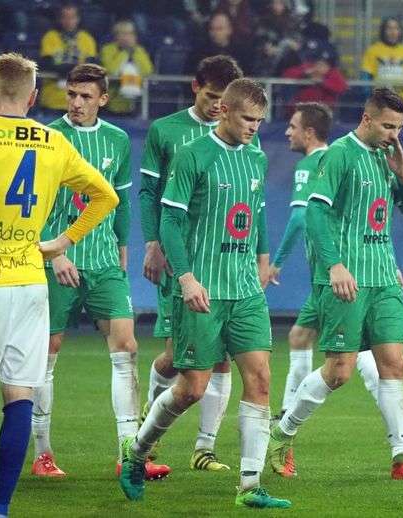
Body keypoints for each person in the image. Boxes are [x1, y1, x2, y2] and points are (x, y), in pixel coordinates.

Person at [0, 54, 118, 518]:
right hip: (31, 283)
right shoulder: (53, 141)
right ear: (34, 97)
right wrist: (61, 242)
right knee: (19, 396)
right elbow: (107, 196)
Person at [120, 78, 291, 509]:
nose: (254, 127)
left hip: (245, 290)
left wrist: (263, 258)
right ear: (224, 111)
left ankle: (249, 486)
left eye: (259, 120)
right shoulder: (192, 155)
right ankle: (137, 451)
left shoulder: (256, 158)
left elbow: (256, 214)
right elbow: (171, 222)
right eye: (247, 118)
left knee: (261, 379)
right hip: (202, 289)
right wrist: (185, 278)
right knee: (191, 389)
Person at [267, 88, 403, 481]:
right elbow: (314, 214)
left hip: (384, 277)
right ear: (367, 119)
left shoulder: (388, 158)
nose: (394, 135)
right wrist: (334, 266)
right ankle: (283, 433)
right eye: (387, 126)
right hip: (346, 280)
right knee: (339, 371)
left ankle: (402, 458)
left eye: (399, 127)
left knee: (393, 363)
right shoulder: (338, 155)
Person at [28, 63, 169, 482]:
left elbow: (119, 200)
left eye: (85, 96)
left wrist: (123, 249)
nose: (76, 102)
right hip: (57, 261)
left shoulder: (117, 140)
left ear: (103, 99)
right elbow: (33, 202)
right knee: (47, 353)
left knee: (126, 347)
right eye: (71, 94)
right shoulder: (49, 137)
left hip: (104, 260)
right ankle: (42, 453)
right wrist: (55, 252)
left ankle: (129, 453)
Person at [139, 55, 252, 473]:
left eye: (225, 98)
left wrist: (257, 256)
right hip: (182, 260)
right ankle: (147, 431)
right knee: (176, 357)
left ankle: (205, 448)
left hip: (226, 264)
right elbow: (149, 193)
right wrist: (153, 243)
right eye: (210, 95)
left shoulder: (245, 137)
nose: (217, 105)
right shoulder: (166, 131)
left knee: (221, 356)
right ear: (195, 87)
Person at [40, 2, 98, 112]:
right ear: (59, 19)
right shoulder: (50, 37)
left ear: (78, 19)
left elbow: (90, 68)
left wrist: (64, 68)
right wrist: (74, 67)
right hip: (53, 101)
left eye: (72, 17)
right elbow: (47, 64)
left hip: (79, 104)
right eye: (65, 17)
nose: (68, 21)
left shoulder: (87, 39)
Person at [361, 17, 403, 109]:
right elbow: (365, 78)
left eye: (396, 28)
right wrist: (370, 100)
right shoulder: (373, 51)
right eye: (389, 28)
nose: (393, 32)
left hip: (402, 104)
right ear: (383, 31)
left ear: (400, 31)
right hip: (380, 104)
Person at [100, 20, 153, 114]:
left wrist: (134, 51)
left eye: (130, 33)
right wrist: (125, 52)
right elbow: (112, 71)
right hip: (113, 101)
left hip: (135, 102)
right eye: (123, 33)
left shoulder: (139, 50)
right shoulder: (108, 49)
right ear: (116, 35)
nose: (127, 37)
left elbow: (148, 71)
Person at [282, 38, 347, 113]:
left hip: (323, 112)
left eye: (323, 64)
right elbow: (287, 75)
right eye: (319, 63)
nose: (320, 66)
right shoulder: (308, 68)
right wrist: (304, 74)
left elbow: (342, 87)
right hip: (302, 110)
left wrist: (322, 82)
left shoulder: (332, 72)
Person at [185, 13, 251, 74]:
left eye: (219, 29)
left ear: (229, 30)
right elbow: (188, 76)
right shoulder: (198, 53)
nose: (215, 32)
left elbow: (248, 76)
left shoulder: (241, 53)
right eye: (211, 29)